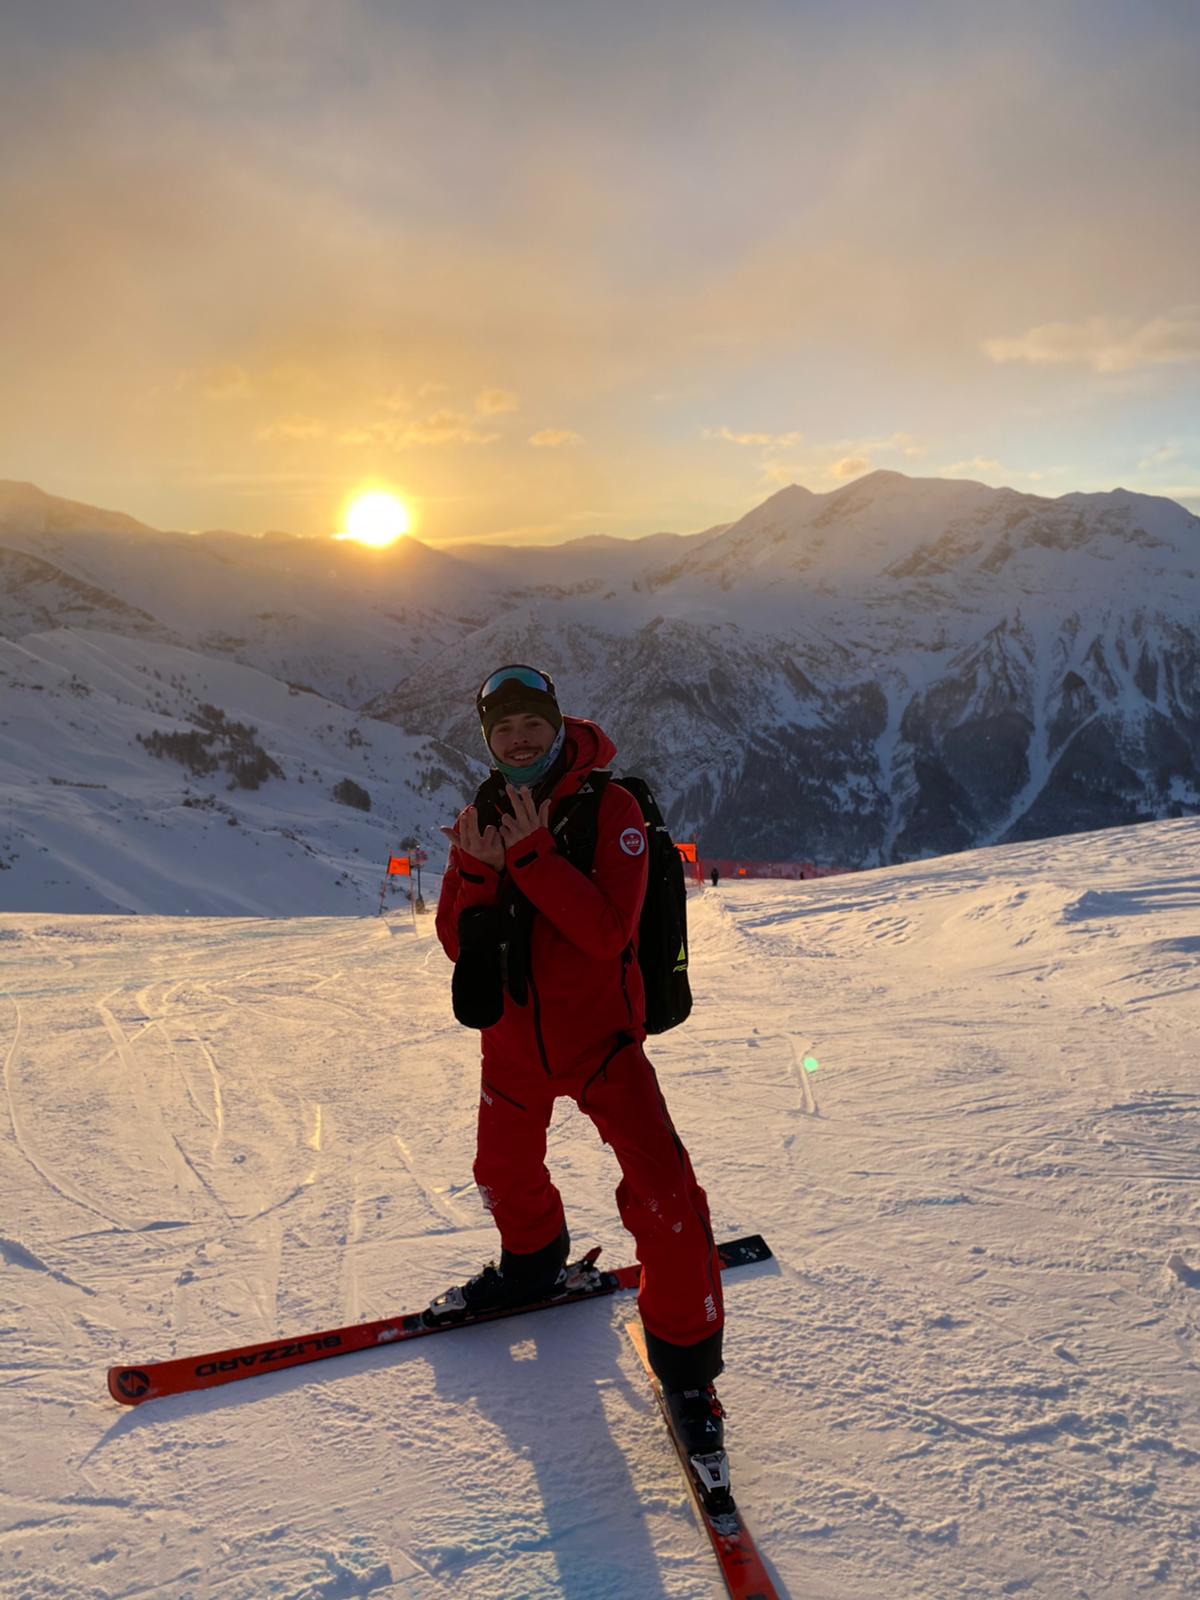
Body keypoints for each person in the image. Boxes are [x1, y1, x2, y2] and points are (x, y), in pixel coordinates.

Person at [434, 664, 726, 1455]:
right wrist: (477, 869)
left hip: (602, 1046)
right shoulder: (483, 813)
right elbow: (458, 942)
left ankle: (687, 1366)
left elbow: (605, 932)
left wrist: (530, 855)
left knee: (665, 1198)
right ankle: (532, 1263)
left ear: (558, 724)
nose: (519, 740)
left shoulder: (612, 808)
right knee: (502, 1171)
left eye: (533, 724)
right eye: (503, 730)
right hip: (512, 1046)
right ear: (488, 740)